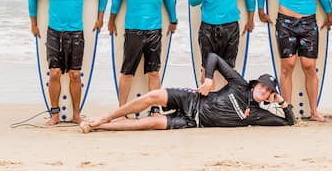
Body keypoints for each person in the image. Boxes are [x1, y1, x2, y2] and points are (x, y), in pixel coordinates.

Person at [79, 53, 295, 132]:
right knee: (153, 96)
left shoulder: (258, 115)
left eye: (268, 91)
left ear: (269, 96)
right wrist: (208, 78)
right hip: (192, 99)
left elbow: (288, 122)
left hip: (193, 122)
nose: (263, 90)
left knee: (152, 123)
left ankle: (99, 126)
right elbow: (213, 57)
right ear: (255, 85)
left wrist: (282, 102)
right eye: (262, 86)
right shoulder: (240, 84)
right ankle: (105, 117)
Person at [28, 0, 109, 125]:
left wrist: (100, 18)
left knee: (75, 75)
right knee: (55, 73)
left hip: (76, 32)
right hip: (54, 32)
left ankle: (76, 114)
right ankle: (55, 114)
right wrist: (33, 24)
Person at [257, 0, 332, 122]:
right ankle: (288, 111)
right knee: (287, 66)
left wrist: (329, 13)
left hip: (309, 22)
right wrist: (260, 10)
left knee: (309, 66)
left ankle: (314, 111)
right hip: (286, 22)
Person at [108, 0, 177, 108]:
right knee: (127, 72)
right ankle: (122, 108)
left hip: (154, 30)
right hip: (133, 30)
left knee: (153, 72)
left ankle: (155, 109)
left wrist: (173, 20)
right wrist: (111, 21)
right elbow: (117, 0)